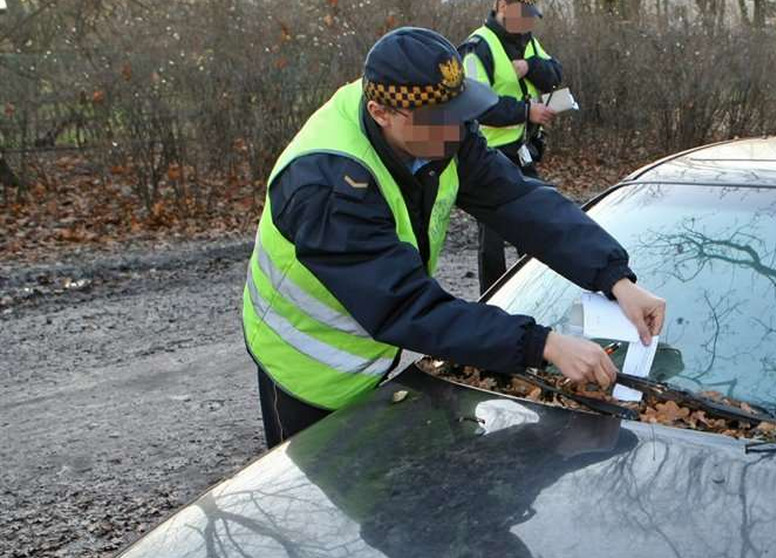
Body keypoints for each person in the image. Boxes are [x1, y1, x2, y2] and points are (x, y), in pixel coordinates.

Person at [242, 27, 665, 447]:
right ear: (380, 112)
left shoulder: (434, 116)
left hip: (378, 347)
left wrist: (614, 277)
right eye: (436, 122)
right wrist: (542, 345)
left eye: (458, 113)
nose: (453, 134)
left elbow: (517, 200)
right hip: (307, 369)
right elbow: (404, 305)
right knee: (324, 505)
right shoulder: (328, 186)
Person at [460, 0, 562, 293]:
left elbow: (554, 74)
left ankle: (533, 293)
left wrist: (530, 66)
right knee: (492, 241)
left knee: (535, 225)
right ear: (503, 5)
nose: (529, 22)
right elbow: (475, 106)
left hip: (524, 153)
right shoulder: (478, 47)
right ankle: (493, 300)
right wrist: (525, 111)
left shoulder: (529, 43)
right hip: (487, 156)